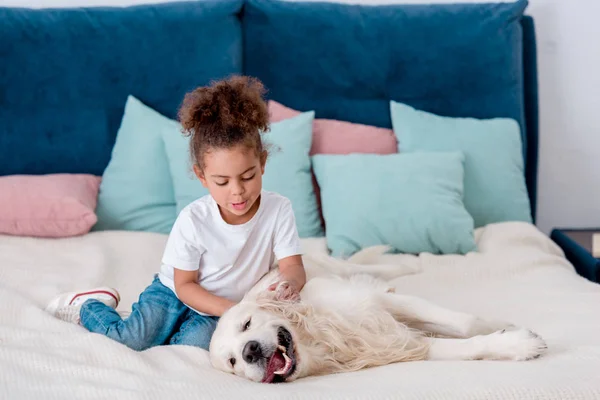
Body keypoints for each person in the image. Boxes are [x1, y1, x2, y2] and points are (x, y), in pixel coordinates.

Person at [45, 76, 307, 351]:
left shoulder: (278, 209)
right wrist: (234, 309)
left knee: (189, 349)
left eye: (248, 176)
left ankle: (146, 324)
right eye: (222, 182)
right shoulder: (194, 219)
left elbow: (292, 266)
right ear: (201, 176)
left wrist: (290, 284)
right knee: (131, 340)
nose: (237, 191)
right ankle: (90, 306)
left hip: (219, 309)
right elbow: (185, 285)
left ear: (262, 163)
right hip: (175, 293)